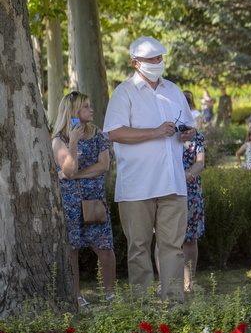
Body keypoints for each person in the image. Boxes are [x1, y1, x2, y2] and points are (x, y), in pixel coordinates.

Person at [104, 36, 195, 301]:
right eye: (151, 59)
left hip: (173, 182)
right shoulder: (124, 92)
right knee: (139, 247)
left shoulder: (173, 90)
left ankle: (174, 302)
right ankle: (140, 306)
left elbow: (187, 125)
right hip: (137, 185)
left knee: (172, 246)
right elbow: (114, 132)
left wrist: (187, 133)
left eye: (160, 58)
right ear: (136, 63)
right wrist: (155, 132)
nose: (158, 63)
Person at [52, 92, 117, 307]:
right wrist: (72, 143)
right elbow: (68, 169)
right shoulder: (59, 140)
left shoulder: (99, 135)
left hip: (95, 201)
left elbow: (103, 166)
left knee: (105, 249)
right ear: (74, 112)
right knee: (73, 251)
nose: (91, 110)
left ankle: (110, 294)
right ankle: (77, 296)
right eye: (86, 107)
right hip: (70, 203)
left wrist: (75, 175)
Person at [180, 97, 206, 293]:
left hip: (191, 190)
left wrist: (188, 174)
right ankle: (167, 281)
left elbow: (200, 162)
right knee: (165, 238)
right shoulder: (165, 133)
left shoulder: (197, 136)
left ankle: (189, 282)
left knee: (190, 238)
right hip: (167, 188)